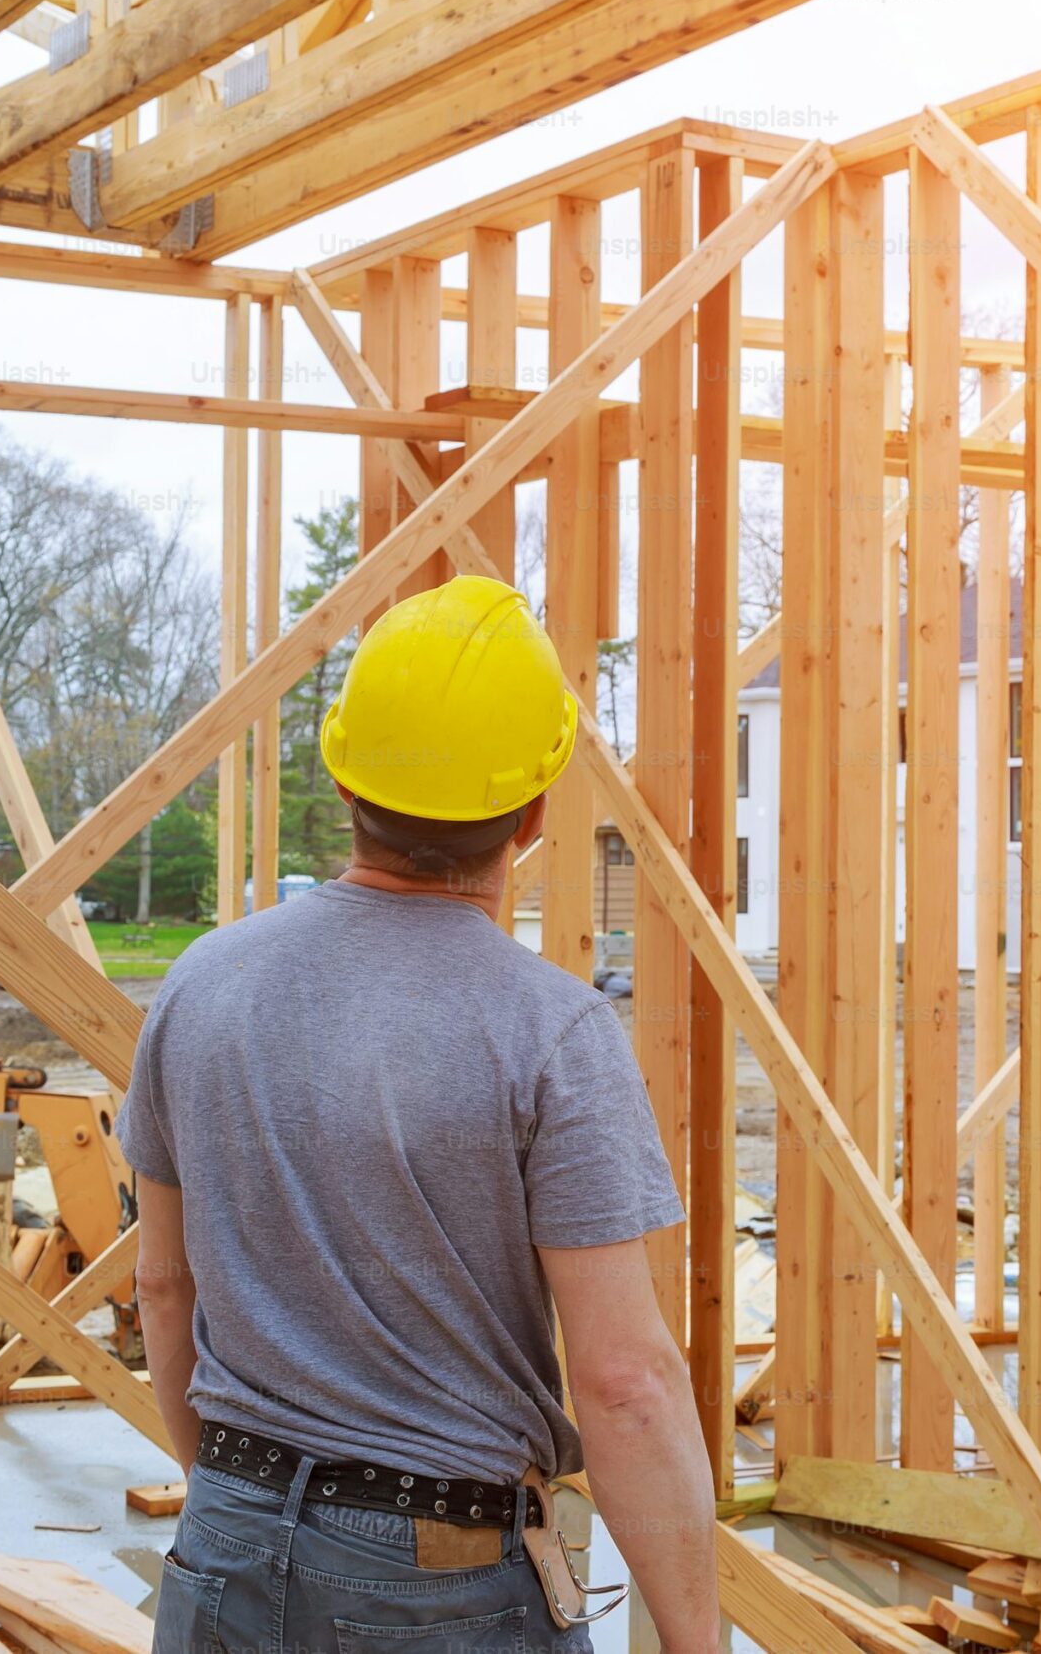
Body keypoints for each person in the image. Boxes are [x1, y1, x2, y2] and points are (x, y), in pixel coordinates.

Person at [119, 574, 722, 1653]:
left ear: (344, 782)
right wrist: (693, 1640)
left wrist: (236, 1506)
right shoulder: (550, 1031)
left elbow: (164, 1288)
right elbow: (625, 1382)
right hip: (442, 1581)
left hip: (224, 1536)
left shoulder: (200, 985)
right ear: (533, 811)